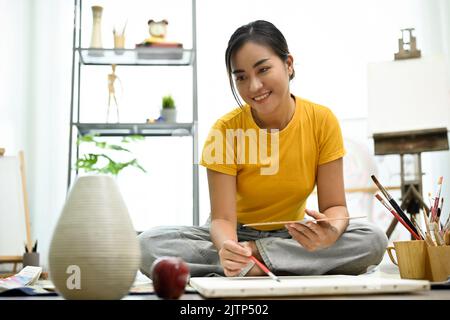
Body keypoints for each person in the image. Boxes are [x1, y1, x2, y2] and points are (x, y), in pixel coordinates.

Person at [138, 20, 388, 278]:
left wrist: (330, 232)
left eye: (264, 69)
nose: (254, 86)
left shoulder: (322, 121)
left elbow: (335, 205)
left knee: (373, 240)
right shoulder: (224, 131)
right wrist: (229, 248)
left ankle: (255, 263)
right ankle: (262, 263)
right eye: (242, 77)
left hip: (292, 234)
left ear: (288, 65)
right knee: (148, 244)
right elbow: (222, 219)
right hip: (235, 235)